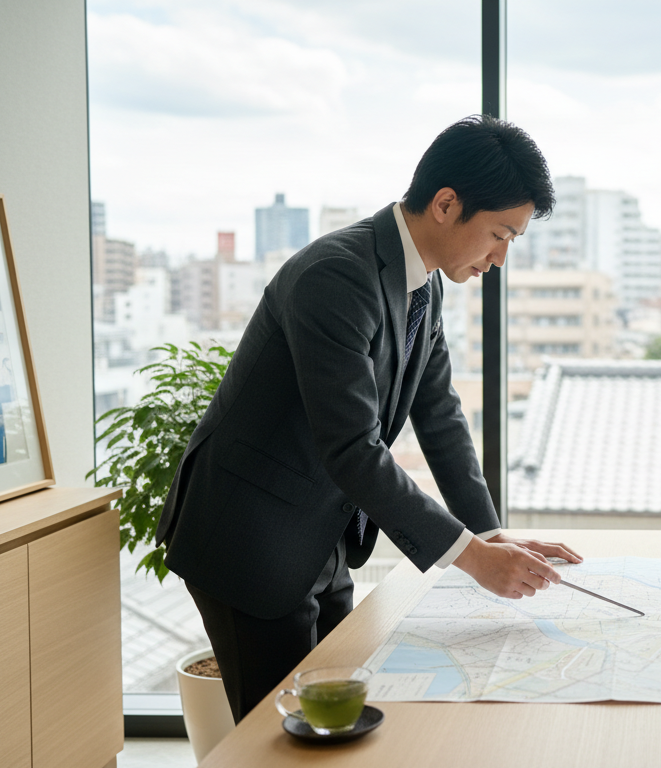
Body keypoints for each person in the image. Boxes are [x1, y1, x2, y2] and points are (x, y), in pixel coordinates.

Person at [156, 115, 583, 723]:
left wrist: (489, 536)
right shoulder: (336, 275)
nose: (500, 258)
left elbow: (440, 417)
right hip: (251, 541)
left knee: (344, 718)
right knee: (284, 739)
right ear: (445, 203)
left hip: (319, 534)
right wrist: (471, 558)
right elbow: (353, 448)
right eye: (499, 234)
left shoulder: (422, 284)